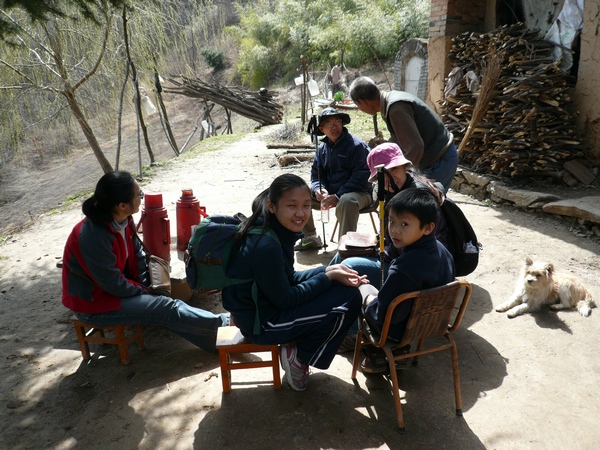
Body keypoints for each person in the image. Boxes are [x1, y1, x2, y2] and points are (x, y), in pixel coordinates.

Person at [221, 173, 365, 391]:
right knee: (349, 299)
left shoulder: (273, 232)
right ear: (271, 205)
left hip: (260, 313)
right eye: (292, 206)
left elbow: (287, 280)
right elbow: (286, 299)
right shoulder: (266, 246)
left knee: (339, 283)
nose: (301, 214)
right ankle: (300, 356)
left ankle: (298, 344)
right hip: (262, 325)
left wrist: (328, 270)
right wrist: (327, 277)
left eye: (306, 205)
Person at [61, 170, 229, 354]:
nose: (141, 198)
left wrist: (147, 284)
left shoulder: (123, 219)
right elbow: (113, 284)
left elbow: (139, 255)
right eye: (139, 195)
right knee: (163, 306)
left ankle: (216, 344)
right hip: (95, 304)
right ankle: (226, 324)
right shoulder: (93, 237)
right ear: (122, 205)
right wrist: (145, 291)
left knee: (163, 305)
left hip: (115, 291)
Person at [359, 188, 455, 373]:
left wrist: (368, 298)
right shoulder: (442, 250)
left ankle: (377, 352)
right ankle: (399, 352)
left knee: (360, 289)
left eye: (404, 224)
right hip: (432, 323)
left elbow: (383, 315)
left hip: (400, 330)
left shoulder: (403, 268)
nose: (394, 230)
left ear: (428, 227)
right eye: (391, 221)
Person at [349, 76, 458, 193]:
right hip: (435, 157)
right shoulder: (390, 102)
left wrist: (406, 176)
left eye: (357, 105)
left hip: (438, 159)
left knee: (426, 205)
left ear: (362, 101)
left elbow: (415, 146)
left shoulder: (395, 108)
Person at [295, 106, 372, 250]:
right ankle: (310, 237)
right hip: (332, 194)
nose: (334, 126)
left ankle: (345, 246)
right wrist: (319, 188)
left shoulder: (356, 146)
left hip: (360, 193)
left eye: (337, 121)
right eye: (329, 123)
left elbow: (361, 177)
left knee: (346, 201)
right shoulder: (322, 149)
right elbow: (316, 175)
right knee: (302, 195)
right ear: (322, 129)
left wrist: (337, 195)